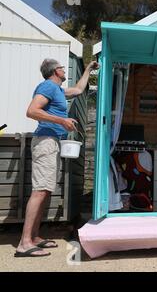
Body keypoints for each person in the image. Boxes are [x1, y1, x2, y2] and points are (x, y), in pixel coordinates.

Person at [14, 58, 99, 257]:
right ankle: (24, 243)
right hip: (45, 141)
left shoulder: (59, 91)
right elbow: (32, 111)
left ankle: (34, 237)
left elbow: (78, 89)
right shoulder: (48, 86)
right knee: (40, 191)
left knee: (45, 191)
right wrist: (61, 120)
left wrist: (88, 69)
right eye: (61, 67)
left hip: (52, 142)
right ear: (55, 71)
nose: (63, 69)